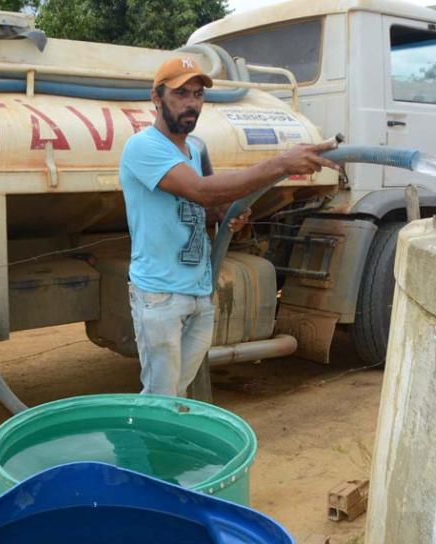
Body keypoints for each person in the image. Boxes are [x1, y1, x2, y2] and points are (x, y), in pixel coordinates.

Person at [120, 57, 338, 397]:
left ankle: (166, 431)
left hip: (197, 291)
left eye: (198, 94)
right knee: (159, 396)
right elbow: (200, 191)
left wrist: (226, 214)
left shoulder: (193, 149)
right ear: (156, 97)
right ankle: (143, 434)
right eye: (180, 94)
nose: (191, 103)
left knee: (177, 392)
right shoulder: (143, 146)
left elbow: (199, 205)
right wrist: (282, 163)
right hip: (160, 296)